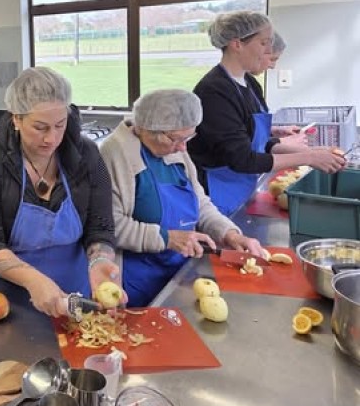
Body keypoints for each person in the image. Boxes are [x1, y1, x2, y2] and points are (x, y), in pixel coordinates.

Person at [0, 67, 119, 318]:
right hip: (13, 297)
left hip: (76, 295)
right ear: (16, 119)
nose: (52, 138)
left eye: (60, 125)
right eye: (40, 127)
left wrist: (100, 260)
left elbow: (101, 227)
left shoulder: (87, 155)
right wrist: (33, 280)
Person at [100, 89, 265, 306]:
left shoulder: (175, 148)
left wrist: (229, 233)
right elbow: (111, 227)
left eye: (188, 137)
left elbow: (201, 204)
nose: (183, 147)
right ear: (148, 130)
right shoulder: (115, 155)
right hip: (137, 283)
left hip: (181, 274)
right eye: (177, 139)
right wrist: (168, 238)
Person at [188, 12, 346, 216]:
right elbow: (242, 159)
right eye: (264, 43)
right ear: (237, 44)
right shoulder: (214, 92)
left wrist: (315, 152)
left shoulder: (250, 84)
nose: (269, 51)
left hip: (242, 187)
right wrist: (308, 157)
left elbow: (254, 139)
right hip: (216, 193)